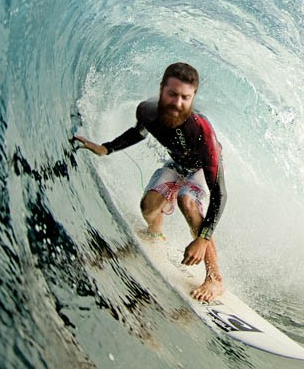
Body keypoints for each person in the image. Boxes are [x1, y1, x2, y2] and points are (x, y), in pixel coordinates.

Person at [74, 62, 226, 302]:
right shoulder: (147, 111)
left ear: (193, 97)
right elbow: (139, 132)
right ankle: (155, 234)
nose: (177, 103)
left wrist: (202, 238)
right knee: (148, 207)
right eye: (172, 94)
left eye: (185, 97)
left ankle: (215, 279)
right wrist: (107, 148)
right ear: (161, 89)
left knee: (187, 201)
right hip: (177, 165)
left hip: (199, 170)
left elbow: (220, 193)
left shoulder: (201, 131)